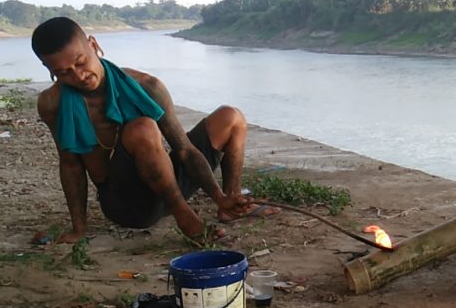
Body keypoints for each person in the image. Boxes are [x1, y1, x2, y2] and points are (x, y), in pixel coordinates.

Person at [31, 17, 275, 244]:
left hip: (166, 183)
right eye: (64, 73)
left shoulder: (148, 86)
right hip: (128, 206)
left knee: (230, 117)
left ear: (93, 44)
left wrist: (219, 196)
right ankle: (185, 217)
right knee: (143, 128)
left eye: (81, 62)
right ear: (49, 69)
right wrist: (78, 229)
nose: (79, 75)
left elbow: (185, 151)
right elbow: (71, 165)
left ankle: (230, 204)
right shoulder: (53, 103)